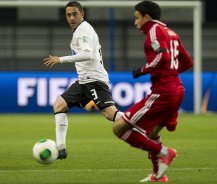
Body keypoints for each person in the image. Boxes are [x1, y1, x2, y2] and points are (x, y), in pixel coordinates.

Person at [112, 1, 193, 182]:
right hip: (177, 90)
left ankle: (165, 152)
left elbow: (162, 56)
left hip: (164, 91)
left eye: (137, 18)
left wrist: (143, 69)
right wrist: (170, 74)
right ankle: (158, 176)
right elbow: (187, 62)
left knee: (119, 128)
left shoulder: (154, 30)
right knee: (151, 135)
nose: (135, 23)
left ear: (146, 17)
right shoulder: (171, 32)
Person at [43, 1, 123, 160]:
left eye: (75, 14)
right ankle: (61, 149)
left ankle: (141, 121)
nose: (71, 18)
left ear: (82, 14)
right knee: (59, 105)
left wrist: (60, 59)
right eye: (68, 15)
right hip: (84, 81)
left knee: (110, 114)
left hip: (94, 80)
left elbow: (87, 54)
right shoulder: (81, 30)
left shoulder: (83, 31)